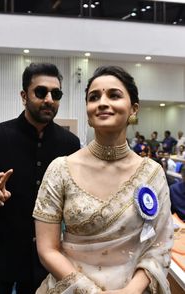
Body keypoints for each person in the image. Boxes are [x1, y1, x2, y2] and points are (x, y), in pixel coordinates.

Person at [33, 66, 174, 293]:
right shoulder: (61, 169)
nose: (102, 102)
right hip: (72, 287)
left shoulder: (152, 173)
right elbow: (47, 249)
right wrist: (90, 291)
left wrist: (132, 290)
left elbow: (159, 244)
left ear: (133, 109)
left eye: (114, 95)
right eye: (94, 97)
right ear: (88, 112)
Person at [0, 62, 80, 294]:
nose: (49, 99)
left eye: (56, 93)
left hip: (46, 261)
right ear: (24, 96)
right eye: (41, 92)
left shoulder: (70, 144)